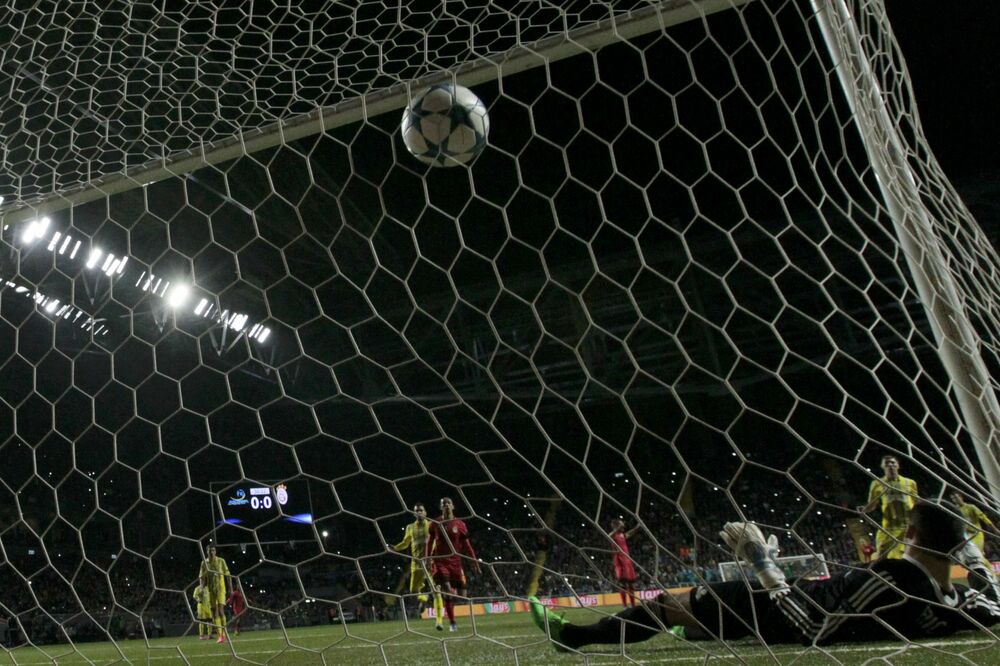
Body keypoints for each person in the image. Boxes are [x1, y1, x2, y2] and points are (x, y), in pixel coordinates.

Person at [529, 501, 1000, 652]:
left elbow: (815, 628)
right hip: (795, 597)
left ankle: (578, 637)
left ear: (911, 532)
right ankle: (693, 628)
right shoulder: (951, 601)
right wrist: (976, 565)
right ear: (960, 546)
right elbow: (990, 604)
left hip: (780, 605)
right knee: (690, 613)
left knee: (673, 602)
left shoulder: (897, 578)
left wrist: (761, 562)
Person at [425, 497, 480, 632]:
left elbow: (467, 545)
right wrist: (427, 559)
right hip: (439, 561)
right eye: (443, 504)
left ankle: (450, 609)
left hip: (456, 562)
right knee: (448, 591)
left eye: (448, 503)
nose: (446, 505)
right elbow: (429, 541)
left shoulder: (460, 524)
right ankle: (452, 622)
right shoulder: (435, 523)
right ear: (441, 507)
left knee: (462, 594)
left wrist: (474, 561)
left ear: (453, 506)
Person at [393, 503, 445, 628]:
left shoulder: (432, 525)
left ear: (425, 512)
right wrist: (394, 548)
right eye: (416, 511)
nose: (419, 512)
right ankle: (424, 599)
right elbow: (405, 543)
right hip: (416, 564)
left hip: (431, 563)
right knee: (413, 591)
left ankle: (439, 621)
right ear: (414, 513)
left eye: (421, 510)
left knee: (437, 591)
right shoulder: (410, 527)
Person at [859, 455, 919, 559]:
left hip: (907, 526)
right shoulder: (877, 484)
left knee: (903, 555)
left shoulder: (910, 483)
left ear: (898, 465)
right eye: (887, 463)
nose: (890, 465)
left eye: (893, 462)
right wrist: (864, 509)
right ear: (882, 466)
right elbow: (872, 505)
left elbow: (916, 502)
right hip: (888, 528)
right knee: (881, 555)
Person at [199, 544, 230, 643]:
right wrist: (201, 588)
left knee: (220, 610)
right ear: (206, 552)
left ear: (215, 551)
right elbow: (202, 577)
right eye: (209, 551)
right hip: (210, 590)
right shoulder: (204, 563)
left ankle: (224, 634)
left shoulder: (221, 561)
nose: (211, 552)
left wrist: (230, 587)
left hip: (221, 589)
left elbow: (227, 574)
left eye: (213, 550)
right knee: (214, 611)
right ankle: (220, 635)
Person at [608, 519, 641, 607]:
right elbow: (609, 536)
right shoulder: (613, 535)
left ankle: (633, 604)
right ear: (616, 526)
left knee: (631, 584)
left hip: (627, 561)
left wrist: (637, 527)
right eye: (621, 525)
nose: (623, 527)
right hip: (619, 561)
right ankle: (625, 605)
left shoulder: (622, 535)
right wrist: (618, 527)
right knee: (622, 584)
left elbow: (629, 533)